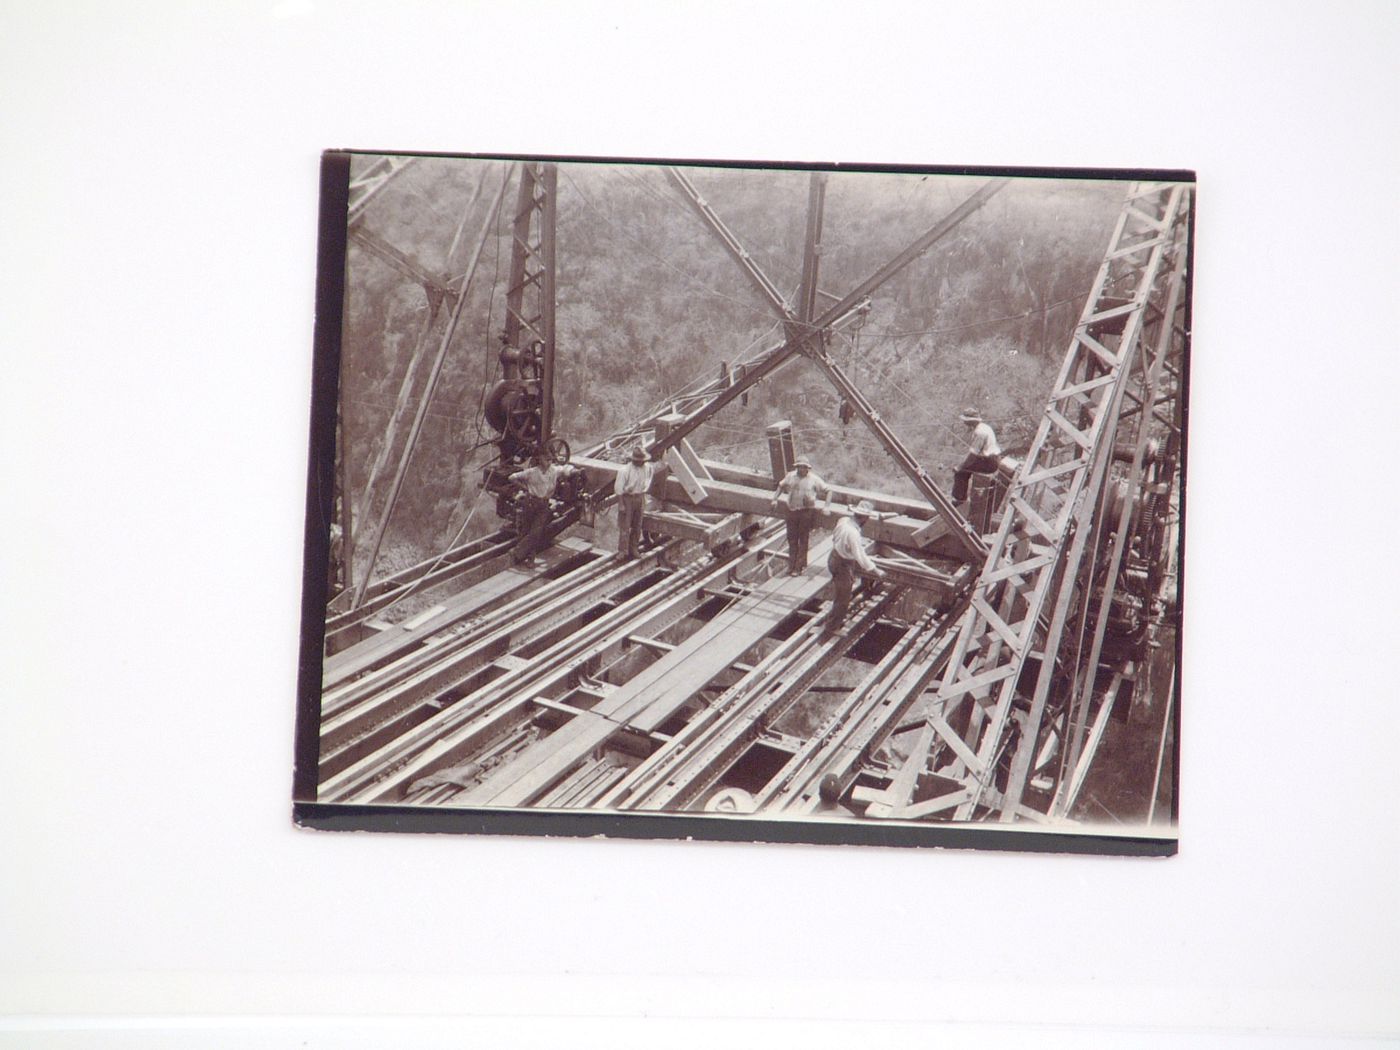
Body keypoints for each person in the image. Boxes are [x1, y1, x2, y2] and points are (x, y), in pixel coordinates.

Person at [822, 500, 886, 636]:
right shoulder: (853, 533)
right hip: (842, 564)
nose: (867, 520)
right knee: (843, 596)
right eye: (867, 518)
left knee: (841, 592)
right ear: (863, 518)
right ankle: (832, 627)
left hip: (834, 556)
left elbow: (834, 537)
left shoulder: (843, 520)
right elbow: (860, 556)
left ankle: (833, 621)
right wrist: (876, 570)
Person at [770, 458, 831, 575]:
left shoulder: (814, 479)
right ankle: (791, 565)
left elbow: (828, 491)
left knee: (803, 539)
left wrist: (826, 506)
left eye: (803, 467)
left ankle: (799, 567)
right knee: (792, 539)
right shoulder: (791, 476)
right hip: (792, 510)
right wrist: (774, 499)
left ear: (807, 468)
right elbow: (781, 486)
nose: (800, 469)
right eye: (799, 466)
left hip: (806, 512)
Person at [508, 450, 564, 565]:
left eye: (550, 460)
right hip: (531, 503)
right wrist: (525, 488)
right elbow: (512, 477)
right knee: (526, 531)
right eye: (546, 460)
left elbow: (565, 470)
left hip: (543, 504)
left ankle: (516, 552)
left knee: (535, 533)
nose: (549, 462)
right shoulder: (532, 472)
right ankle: (526, 559)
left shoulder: (553, 471)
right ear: (540, 460)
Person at [951, 407, 1002, 503]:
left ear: (971, 421)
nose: (964, 422)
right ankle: (960, 498)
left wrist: (960, 467)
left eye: (965, 420)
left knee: (961, 472)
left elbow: (973, 455)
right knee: (964, 466)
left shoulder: (979, 432)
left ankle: (959, 499)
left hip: (989, 462)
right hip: (991, 459)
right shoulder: (984, 427)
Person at [615, 446, 657, 560]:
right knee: (625, 526)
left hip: (640, 497)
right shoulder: (624, 471)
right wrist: (621, 504)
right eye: (640, 461)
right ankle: (622, 551)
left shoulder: (648, 468)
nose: (642, 463)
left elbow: (650, 477)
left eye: (643, 461)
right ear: (634, 460)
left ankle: (634, 548)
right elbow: (619, 490)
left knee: (637, 526)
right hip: (627, 498)